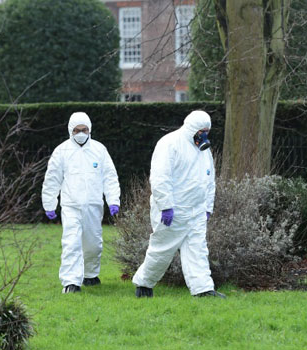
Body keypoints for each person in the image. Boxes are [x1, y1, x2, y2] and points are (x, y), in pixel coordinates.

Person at [132, 110, 225, 298]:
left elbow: (209, 179)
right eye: (201, 131)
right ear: (192, 128)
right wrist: (166, 206)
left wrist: (207, 206)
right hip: (174, 211)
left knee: (197, 250)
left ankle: (203, 289)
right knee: (162, 250)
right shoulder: (169, 143)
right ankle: (144, 284)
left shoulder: (203, 151)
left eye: (207, 131)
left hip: (196, 211)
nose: (204, 135)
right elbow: (160, 177)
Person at [42, 112, 121, 294]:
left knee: (93, 244)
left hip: (94, 205)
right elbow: (52, 179)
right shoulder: (62, 151)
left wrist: (113, 200)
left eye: (84, 130)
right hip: (71, 205)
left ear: (90, 129)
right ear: (70, 130)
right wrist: (49, 203)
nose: (81, 133)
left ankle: (90, 275)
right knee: (71, 243)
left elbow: (109, 177)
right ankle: (70, 282)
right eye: (77, 130)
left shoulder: (99, 150)